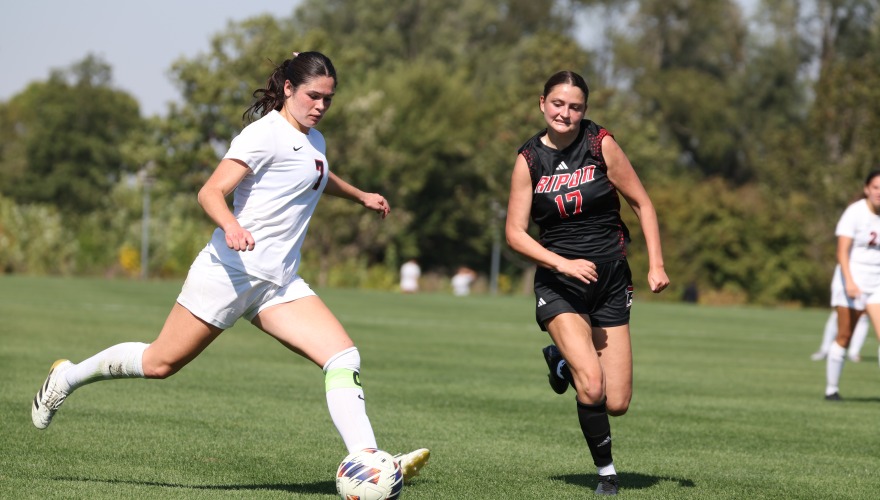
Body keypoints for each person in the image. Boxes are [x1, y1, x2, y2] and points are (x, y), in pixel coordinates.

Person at [31, 51, 429, 480]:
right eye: (313, 96)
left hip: (277, 284)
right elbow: (210, 192)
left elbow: (316, 173)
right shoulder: (262, 135)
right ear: (290, 90)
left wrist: (360, 195)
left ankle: (367, 459)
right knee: (160, 364)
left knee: (343, 357)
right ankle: (68, 377)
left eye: (328, 99)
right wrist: (232, 226)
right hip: (229, 273)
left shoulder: (316, 141)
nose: (320, 106)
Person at [505, 70, 668, 495]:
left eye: (575, 106)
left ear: (585, 111)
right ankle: (606, 474)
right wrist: (562, 264)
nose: (566, 113)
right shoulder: (528, 160)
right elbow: (515, 234)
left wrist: (656, 265)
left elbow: (642, 203)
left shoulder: (600, 144)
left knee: (617, 402)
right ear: (542, 104)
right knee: (591, 386)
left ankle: (560, 362)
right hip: (561, 285)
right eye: (558, 104)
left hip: (612, 280)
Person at [825, 170, 880, 401]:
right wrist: (849, 281)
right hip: (852, 282)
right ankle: (831, 389)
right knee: (845, 336)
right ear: (867, 189)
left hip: (877, 284)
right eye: (876, 187)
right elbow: (842, 251)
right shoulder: (855, 212)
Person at [810, 266, 870, 362]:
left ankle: (853, 353)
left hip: (871, 274)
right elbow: (841, 252)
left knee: (863, 316)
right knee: (838, 313)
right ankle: (825, 349)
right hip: (848, 273)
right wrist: (849, 280)